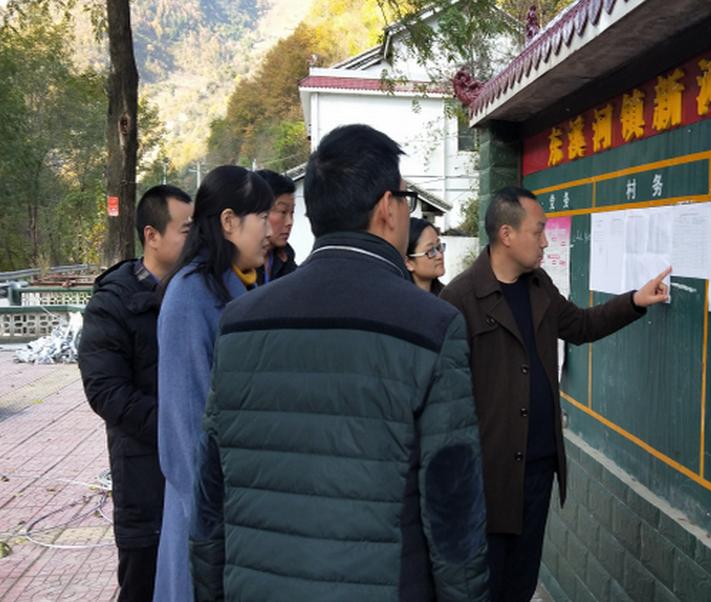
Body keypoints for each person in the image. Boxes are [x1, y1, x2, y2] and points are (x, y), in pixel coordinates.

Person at [188, 124, 489, 602]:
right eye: (406, 199)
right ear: (387, 207)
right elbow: (453, 509)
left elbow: (209, 498)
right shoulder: (432, 326)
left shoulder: (240, 322)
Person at [441, 186, 670, 602]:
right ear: (507, 234)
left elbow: (580, 326)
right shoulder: (460, 299)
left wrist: (635, 302)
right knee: (484, 583)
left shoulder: (538, 286)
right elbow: (446, 400)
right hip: (488, 476)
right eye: (538, 230)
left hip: (538, 465)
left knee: (521, 582)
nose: (546, 241)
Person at [153, 166, 273, 602]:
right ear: (228, 222)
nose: (271, 230)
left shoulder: (241, 287)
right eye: (263, 217)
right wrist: (213, 526)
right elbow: (188, 434)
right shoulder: (191, 295)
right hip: (207, 520)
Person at [79, 185, 193, 602]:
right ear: (152, 235)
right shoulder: (112, 303)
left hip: (193, 466)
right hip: (144, 473)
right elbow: (105, 391)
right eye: (186, 230)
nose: (196, 240)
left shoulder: (196, 292)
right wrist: (176, 425)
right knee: (144, 579)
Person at [255, 169, 297, 283]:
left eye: (292, 213)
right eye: (283, 212)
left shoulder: (287, 259)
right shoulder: (239, 263)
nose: (290, 222)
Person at [406, 216, 445, 294]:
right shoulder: (398, 299)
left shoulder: (450, 296)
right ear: (408, 263)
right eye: (430, 251)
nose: (439, 256)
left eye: (438, 247)